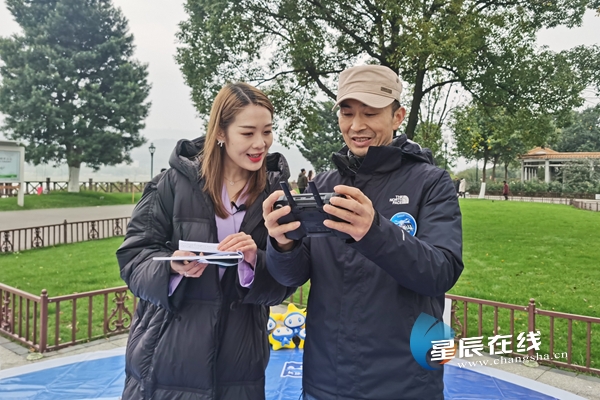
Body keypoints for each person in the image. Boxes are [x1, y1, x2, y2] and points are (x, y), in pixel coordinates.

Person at [262, 65, 463, 400]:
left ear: (397, 116)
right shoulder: (322, 185)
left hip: (404, 384)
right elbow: (291, 278)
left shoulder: (431, 182)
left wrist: (375, 231)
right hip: (325, 381)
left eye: (370, 113)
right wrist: (282, 244)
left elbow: (441, 272)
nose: (356, 126)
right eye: (347, 113)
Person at [116, 82, 295, 400]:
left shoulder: (277, 196)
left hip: (240, 364)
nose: (260, 143)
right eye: (248, 132)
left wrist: (255, 261)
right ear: (221, 132)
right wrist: (171, 268)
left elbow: (287, 280)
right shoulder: (171, 185)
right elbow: (133, 258)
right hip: (166, 357)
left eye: (267, 131)